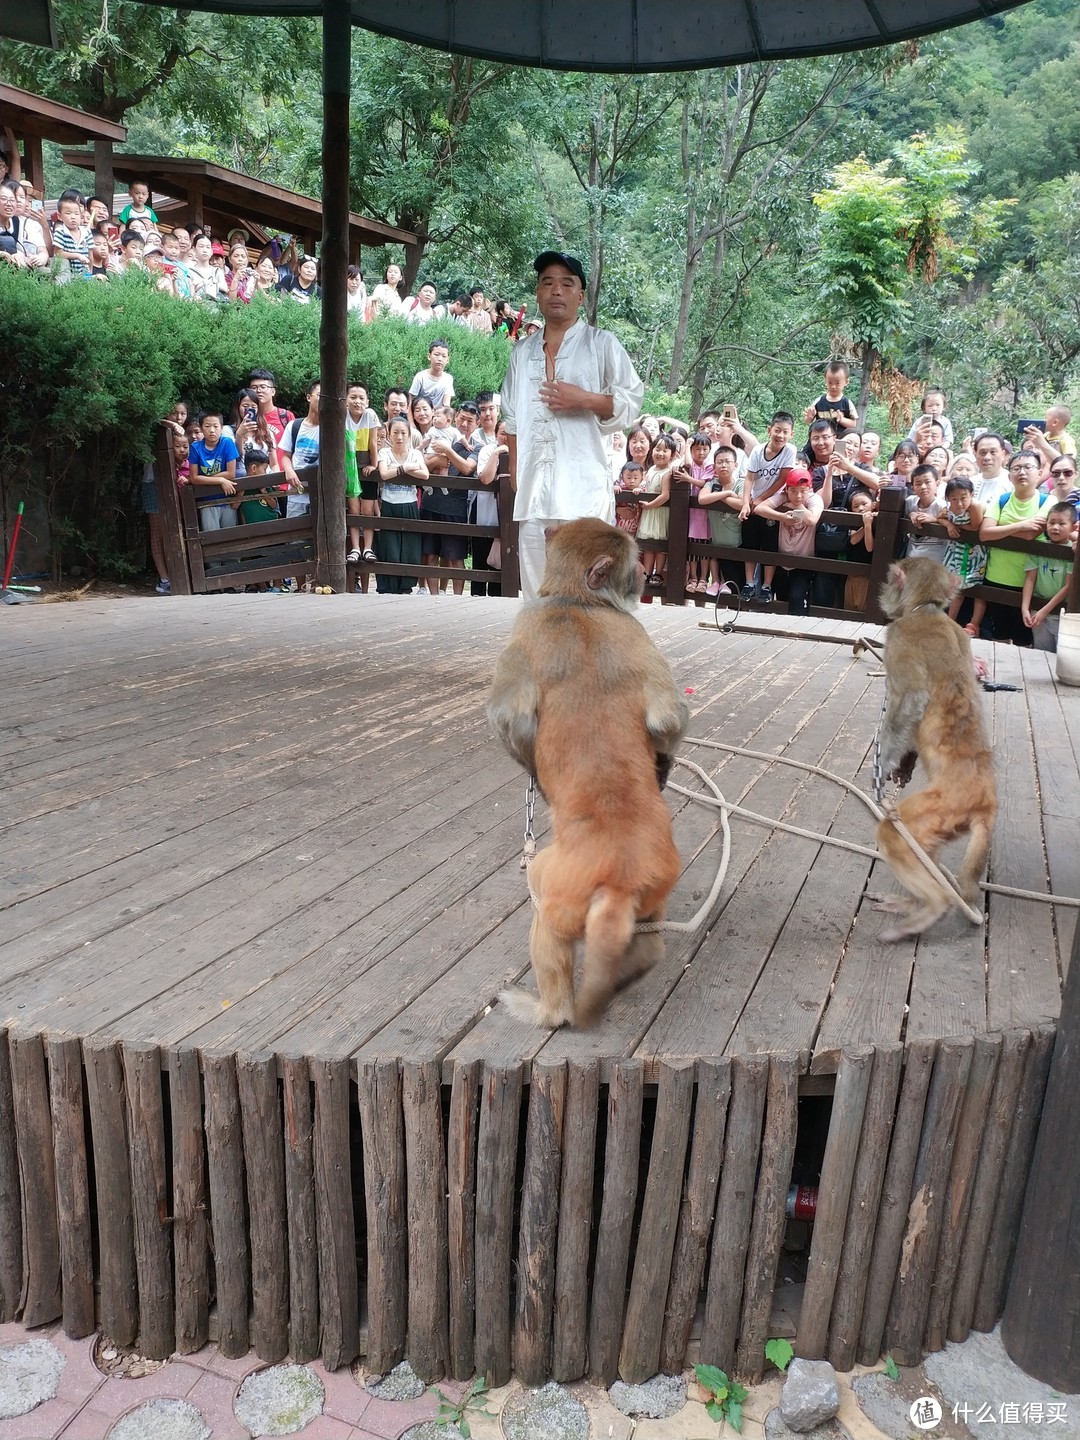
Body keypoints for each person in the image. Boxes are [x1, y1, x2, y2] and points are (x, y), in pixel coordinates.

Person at [500, 250, 643, 599]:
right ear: (537, 293)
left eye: (567, 283)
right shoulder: (522, 352)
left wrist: (585, 399)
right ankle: (545, 654)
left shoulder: (601, 344)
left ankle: (588, 655)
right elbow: (512, 416)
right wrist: (517, 471)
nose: (556, 291)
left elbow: (631, 400)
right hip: (534, 491)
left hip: (583, 490)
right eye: (547, 283)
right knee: (538, 589)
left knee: (588, 591)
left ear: (580, 295)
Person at [980, 449, 1050, 645]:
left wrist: (1001, 529)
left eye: (1028, 467)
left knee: (1024, 637)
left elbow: (1030, 535)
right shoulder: (1002, 499)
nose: (1022, 472)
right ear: (1009, 474)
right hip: (995, 576)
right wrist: (1021, 525)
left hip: (1028, 582)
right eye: (1016, 468)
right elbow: (985, 533)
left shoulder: (1047, 501)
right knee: (998, 635)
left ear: (1039, 472)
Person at [739, 411, 796, 604]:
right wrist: (746, 501)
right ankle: (749, 582)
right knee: (750, 542)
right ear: (769, 430)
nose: (780, 435)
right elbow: (749, 477)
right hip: (755, 502)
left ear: (791, 434)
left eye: (785, 432)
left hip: (771, 503)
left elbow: (783, 478)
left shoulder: (790, 451)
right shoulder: (757, 451)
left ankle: (766, 585)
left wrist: (762, 498)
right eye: (777, 430)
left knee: (770, 545)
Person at [753, 468, 823, 614]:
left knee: (796, 597)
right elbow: (759, 509)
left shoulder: (815, 499)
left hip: (803, 561)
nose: (798, 496)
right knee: (782, 598)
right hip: (781, 560)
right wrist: (782, 517)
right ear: (787, 490)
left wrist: (797, 505)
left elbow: (811, 519)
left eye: (803, 491)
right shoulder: (782, 497)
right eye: (793, 491)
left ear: (809, 489)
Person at [376, 413, 427, 593]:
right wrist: (405, 468)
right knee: (389, 544)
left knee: (410, 546)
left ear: (409, 435)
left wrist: (396, 470)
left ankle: (406, 585)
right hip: (389, 503)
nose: (399, 437)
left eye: (403, 433)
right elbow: (383, 474)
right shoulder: (384, 452)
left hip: (409, 503)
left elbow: (425, 474)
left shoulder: (415, 454)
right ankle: (388, 585)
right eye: (395, 432)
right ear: (389, 434)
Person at [1022, 502, 1077, 651]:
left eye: (1062, 523)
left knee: (1062, 654)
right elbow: (1030, 578)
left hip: (1061, 614)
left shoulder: (1072, 552)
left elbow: (1068, 585)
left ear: (1072, 526)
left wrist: (1045, 610)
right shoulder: (1038, 548)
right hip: (1037, 611)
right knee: (1041, 652)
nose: (1055, 527)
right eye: (1051, 522)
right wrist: (1025, 608)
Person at [941, 476, 988, 637]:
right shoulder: (948, 508)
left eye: (963, 498)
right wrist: (948, 524)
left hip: (974, 552)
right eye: (954, 499)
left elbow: (975, 527)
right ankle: (949, 621)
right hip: (956, 551)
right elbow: (940, 518)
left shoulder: (975, 506)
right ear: (948, 498)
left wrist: (956, 526)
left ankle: (974, 624)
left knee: (977, 587)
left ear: (971, 494)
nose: (959, 503)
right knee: (956, 588)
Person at [636, 432, 681, 587]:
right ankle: (647, 573)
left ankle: (658, 572)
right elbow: (645, 484)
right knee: (648, 545)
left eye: (665, 450)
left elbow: (665, 495)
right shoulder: (650, 469)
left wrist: (650, 505)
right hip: (649, 513)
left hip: (659, 513)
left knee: (660, 544)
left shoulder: (667, 473)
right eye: (657, 449)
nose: (660, 453)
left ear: (673, 455)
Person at [697, 444, 744, 596]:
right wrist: (727, 494)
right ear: (714, 465)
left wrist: (721, 496)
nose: (723, 465)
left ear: (735, 465)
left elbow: (742, 503)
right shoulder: (712, 483)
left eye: (727, 461)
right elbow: (702, 499)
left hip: (736, 544)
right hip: (717, 544)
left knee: (737, 588)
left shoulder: (740, 484)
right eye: (719, 462)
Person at [345, 383, 381, 567]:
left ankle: (367, 547)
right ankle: (355, 547)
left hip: (366, 467)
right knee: (353, 509)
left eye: (361, 398)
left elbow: (373, 442)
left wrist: (374, 464)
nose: (357, 401)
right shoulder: (342, 416)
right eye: (353, 397)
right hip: (349, 467)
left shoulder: (370, 415)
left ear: (367, 401)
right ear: (345, 400)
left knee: (367, 510)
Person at [188, 410, 240, 531]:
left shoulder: (227, 443)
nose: (212, 430)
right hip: (207, 501)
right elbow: (194, 478)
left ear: (221, 428)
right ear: (201, 428)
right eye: (207, 426)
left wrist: (204, 478)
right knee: (212, 536)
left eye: (216, 426)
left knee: (230, 535)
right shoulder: (195, 448)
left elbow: (231, 473)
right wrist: (221, 480)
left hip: (227, 498)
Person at [280, 382, 321, 518]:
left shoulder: (332, 430)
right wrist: (289, 470)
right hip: (296, 493)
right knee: (295, 536)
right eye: (319, 395)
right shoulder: (294, 426)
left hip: (322, 494)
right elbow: (285, 455)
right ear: (309, 397)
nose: (322, 401)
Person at [904, 464, 948, 563]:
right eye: (918, 484)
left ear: (937, 484)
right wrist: (911, 514)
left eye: (928, 482)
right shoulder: (910, 502)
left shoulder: (942, 506)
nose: (923, 487)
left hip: (934, 562)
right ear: (913, 487)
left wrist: (935, 520)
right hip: (911, 558)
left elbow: (953, 522)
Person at [803, 360, 857, 435]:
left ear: (846, 382)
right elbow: (807, 421)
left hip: (839, 440)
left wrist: (842, 419)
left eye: (837, 383)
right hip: (820, 438)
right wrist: (809, 417)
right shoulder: (819, 401)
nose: (833, 386)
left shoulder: (847, 403)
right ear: (825, 381)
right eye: (830, 382)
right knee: (808, 447)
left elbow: (853, 424)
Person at [51, 188, 94, 276]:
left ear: (81, 215)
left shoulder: (87, 232)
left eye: (76, 213)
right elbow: (58, 253)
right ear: (59, 216)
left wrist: (90, 272)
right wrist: (77, 256)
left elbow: (90, 255)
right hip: (66, 276)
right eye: (68, 213)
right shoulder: (60, 232)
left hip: (84, 276)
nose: (73, 217)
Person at [409, 339, 455, 416]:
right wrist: (411, 423)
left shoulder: (448, 378)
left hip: (438, 418)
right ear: (429, 356)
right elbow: (410, 401)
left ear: (447, 360)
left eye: (444, 356)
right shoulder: (420, 377)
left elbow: (446, 404)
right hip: (421, 416)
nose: (440, 359)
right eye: (436, 354)